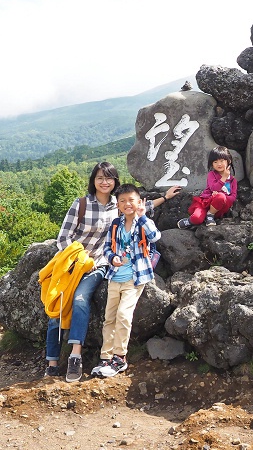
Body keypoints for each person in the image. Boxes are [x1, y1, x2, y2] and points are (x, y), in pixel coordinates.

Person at [43, 161, 179, 382]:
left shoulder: (118, 205)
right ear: (93, 181)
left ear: (115, 181)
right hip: (72, 265)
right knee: (57, 305)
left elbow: (137, 207)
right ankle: (52, 362)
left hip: (98, 266)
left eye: (109, 178)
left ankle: (75, 357)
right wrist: (75, 260)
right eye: (100, 178)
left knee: (79, 300)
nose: (104, 182)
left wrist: (166, 197)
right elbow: (63, 238)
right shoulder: (81, 205)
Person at [91, 184, 161, 378]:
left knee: (123, 315)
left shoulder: (142, 222)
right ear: (118, 204)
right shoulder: (115, 224)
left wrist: (143, 216)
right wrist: (112, 257)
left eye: (131, 200)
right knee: (109, 318)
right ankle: (106, 357)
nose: (127, 204)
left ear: (139, 202)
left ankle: (119, 357)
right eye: (122, 201)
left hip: (135, 278)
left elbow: (156, 237)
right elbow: (107, 248)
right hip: (115, 276)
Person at [177, 146, 237, 229]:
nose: (219, 164)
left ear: (228, 161)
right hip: (206, 202)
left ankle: (210, 215)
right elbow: (214, 188)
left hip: (219, 207)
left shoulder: (233, 181)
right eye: (215, 162)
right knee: (197, 218)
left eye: (222, 161)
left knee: (220, 197)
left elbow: (233, 197)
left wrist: (222, 197)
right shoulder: (211, 175)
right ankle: (190, 220)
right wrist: (223, 178)